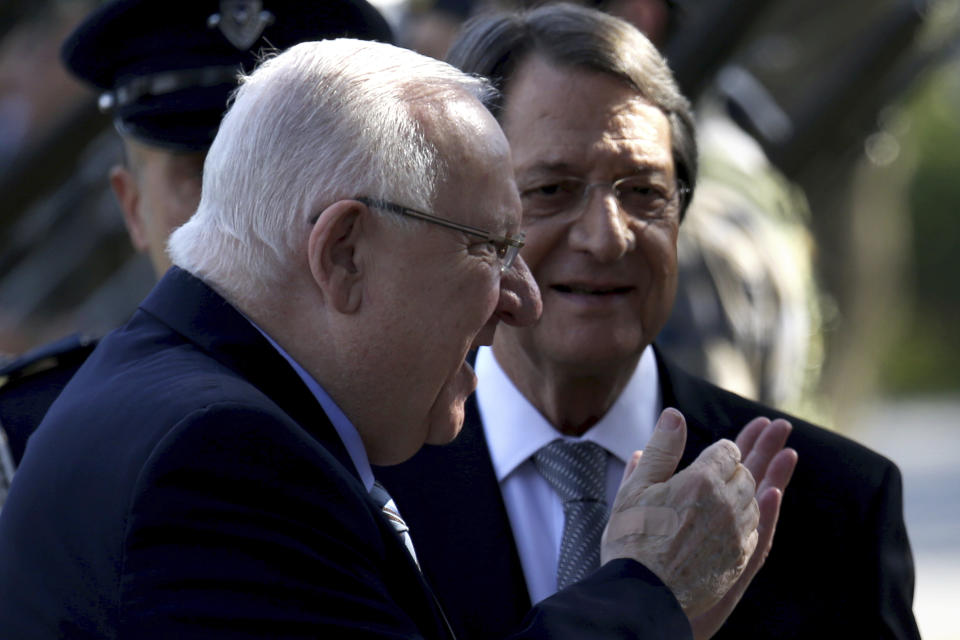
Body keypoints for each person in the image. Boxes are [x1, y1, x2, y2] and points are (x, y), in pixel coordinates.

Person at [0, 38, 765, 638]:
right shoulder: (221, 453)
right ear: (344, 253)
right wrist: (646, 592)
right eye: (490, 247)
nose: (523, 299)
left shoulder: (186, 402)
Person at [377, 5, 921, 639]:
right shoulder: (365, 483)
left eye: (644, 192)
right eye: (552, 190)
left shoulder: (831, 502)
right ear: (467, 214)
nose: (608, 239)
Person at [0, 0, 393, 467]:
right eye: (198, 175)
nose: (236, 208)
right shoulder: (40, 435)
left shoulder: (426, 406)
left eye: (273, 169)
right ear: (132, 206)